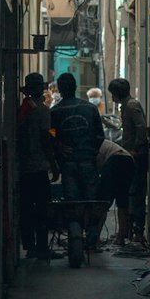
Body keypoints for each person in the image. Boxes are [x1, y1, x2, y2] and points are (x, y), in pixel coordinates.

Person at [50, 72, 104, 250]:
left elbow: (50, 136)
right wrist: (91, 152)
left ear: (60, 88)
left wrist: (58, 147)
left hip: (68, 164)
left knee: (72, 200)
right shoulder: (90, 109)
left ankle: (76, 234)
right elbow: (99, 136)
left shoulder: (55, 112)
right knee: (92, 199)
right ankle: (93, 236)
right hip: (88, 161)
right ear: (75, 86)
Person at [16, 72, 61, 261]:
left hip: (23, 167)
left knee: (26, 207)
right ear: (41, 89)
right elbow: (45, 139)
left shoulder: (23, 108)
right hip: (38, 166)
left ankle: (30, 245)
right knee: (42, 208)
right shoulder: (42, 110)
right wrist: (54, 164)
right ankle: (42, 247)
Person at [109, 77, 150, 246]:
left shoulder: (132, 106)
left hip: (136, 157)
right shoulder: (126, 106)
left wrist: (135, 149)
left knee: (136, 194)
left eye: (112, 93)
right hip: (130, 156)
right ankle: (128, 231)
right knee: (129, 193)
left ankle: (138, 232)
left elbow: (141, 128)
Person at [97, 137, 134, 247]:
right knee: (122, 202)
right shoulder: (104, 142)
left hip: (114, 160)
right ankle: (121, 238)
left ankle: (95, 240)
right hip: (128, 160)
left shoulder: (90, 146)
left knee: (103, 203)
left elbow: (96, 169)